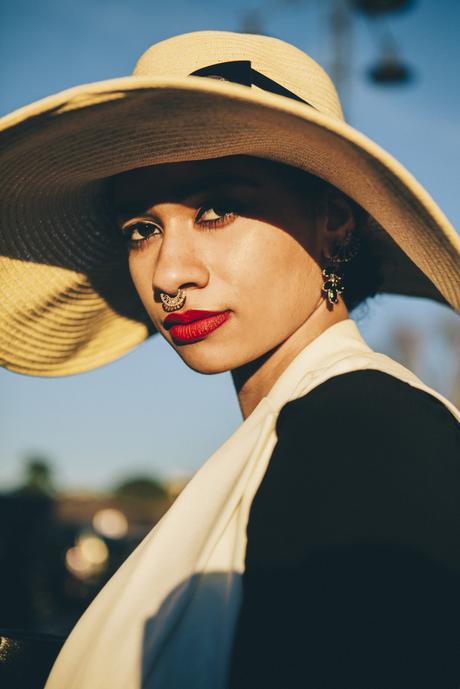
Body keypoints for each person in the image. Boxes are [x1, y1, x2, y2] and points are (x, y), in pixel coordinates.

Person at [0, 29, 459, 689]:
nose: (169, 273)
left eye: (216, 209)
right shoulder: (296, 436)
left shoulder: (362, 429)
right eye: (142, 229)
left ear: (335, 220)